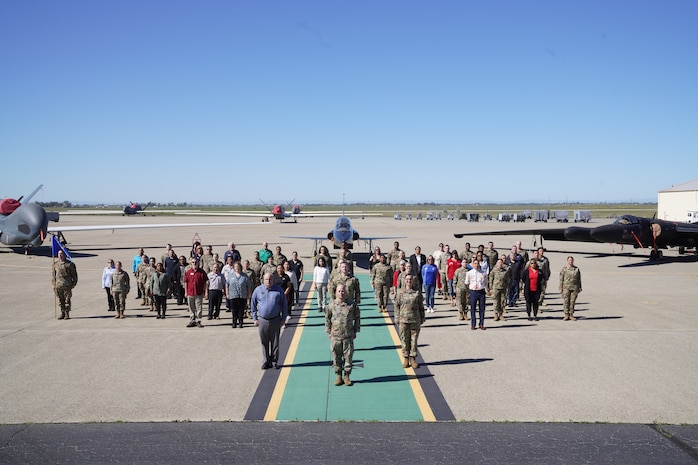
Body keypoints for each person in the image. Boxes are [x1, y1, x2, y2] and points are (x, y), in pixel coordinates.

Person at [325, 284, 361, 386]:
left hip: (348, 335)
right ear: (336, 292)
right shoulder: (331, 305)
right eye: (339, 291)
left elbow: (357, 317)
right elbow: (327, 318)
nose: (341, 293)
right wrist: (328, 331)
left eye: (343, 291)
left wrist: (355, 330)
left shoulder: (351, 305)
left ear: (346, 292)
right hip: (335, 336)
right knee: (336, 357)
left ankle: (347, 376)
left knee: (348, 357)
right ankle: (338, 375)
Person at [251, 272, 288, 369]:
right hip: (262, 320)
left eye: (270, 279)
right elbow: (253, 304)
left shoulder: (278, 290)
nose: (268, 281)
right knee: (264, 341)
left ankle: (275, 361)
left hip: (275, 319)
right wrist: (254, 318)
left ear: (273, 280)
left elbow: (284, 305)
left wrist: (283, 318)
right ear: (263, 280)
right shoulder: (258, 290)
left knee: (275, 342)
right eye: (266, 279)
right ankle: (266, 361)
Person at [394, 274, 425, 369]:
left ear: (413, 281)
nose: (408, 281)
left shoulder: (417, 293)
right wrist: (397, 317)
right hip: (403, 320)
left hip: (415, 319)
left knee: (414, 340)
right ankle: (406, 358)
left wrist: (422, 317)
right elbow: (396, 306)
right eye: (407, 279)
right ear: (404, 281)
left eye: (410, 279)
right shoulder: (400, 292)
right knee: (404, 340)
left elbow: (421, 306)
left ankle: (413, 358)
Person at [52, 250, 78, 320]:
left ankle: (67, 313)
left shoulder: (69, 264)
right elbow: (53, 275)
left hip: (67, 284)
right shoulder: (55, 264)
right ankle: (62, 312)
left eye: (61, 254)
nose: (60, 255)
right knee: (60, 300)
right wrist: (53, 284)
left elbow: (74, 275)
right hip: (58, 285)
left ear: (65, 255)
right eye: (59, 254)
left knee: (67, 300)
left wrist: (74, 283)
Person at [226, 261, 251, 328]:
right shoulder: (230, 276)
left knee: (241, 310)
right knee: (234, 310)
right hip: (233, 295)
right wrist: (227, 294)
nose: (237, 268)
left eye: (238, 267)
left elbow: (248, 286)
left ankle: (240, 323)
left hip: (242, 295)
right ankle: (234, 323)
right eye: (236, 267)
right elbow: (227, 285)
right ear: (234, 268)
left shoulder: (245, 276)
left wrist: (249, 294)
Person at [184, 257, 207, 328]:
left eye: (196, 262)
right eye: (193, 262)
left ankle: (198, 321)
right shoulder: (188, 272)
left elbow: (205, 283)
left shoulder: (202, 272)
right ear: (190, 263)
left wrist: (205, 291)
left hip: (198, 293)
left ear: (198, 263)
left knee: (199, 307)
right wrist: (185, 292)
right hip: (190, 292)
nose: (194, 263)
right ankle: (192, 320)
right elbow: (185, 282)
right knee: (191, 307)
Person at [465, 258, 488, 330]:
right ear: (473, 264)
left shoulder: (483, 273)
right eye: (475, 263)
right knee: (473, 309)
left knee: (482, 309)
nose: (476, 265)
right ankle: (473, 324)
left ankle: (481, 324)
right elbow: (467, 282)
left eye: (477, 263)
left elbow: (486, 282)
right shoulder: (469, 273)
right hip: (473, 292)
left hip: (481, 292)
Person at [488, 256, 511, 322]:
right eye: (499, 262)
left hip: (503, 288)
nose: (500, 264)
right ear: (497, 263)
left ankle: (501, 315)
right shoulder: (494, 271)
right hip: (495, 288)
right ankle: (496, 315)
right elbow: (491, 279)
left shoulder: (505, 271)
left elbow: (507, 279)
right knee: (496, 302)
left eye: (501, 262)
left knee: (502, 302)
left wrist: (507, 287)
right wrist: (490, 288)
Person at [560, 256, 582, 321]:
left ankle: (571, 314)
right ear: (567, 261)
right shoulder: (564, 269)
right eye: (569, 260)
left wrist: (579, 287)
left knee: (572, 302)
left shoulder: (576, 269)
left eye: (572, 260)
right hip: (566, 287)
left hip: (574, 287)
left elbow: (579, 279)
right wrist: (561, 288)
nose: (571, 261)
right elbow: (561, 279)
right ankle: (566, 314)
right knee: (566, 301)